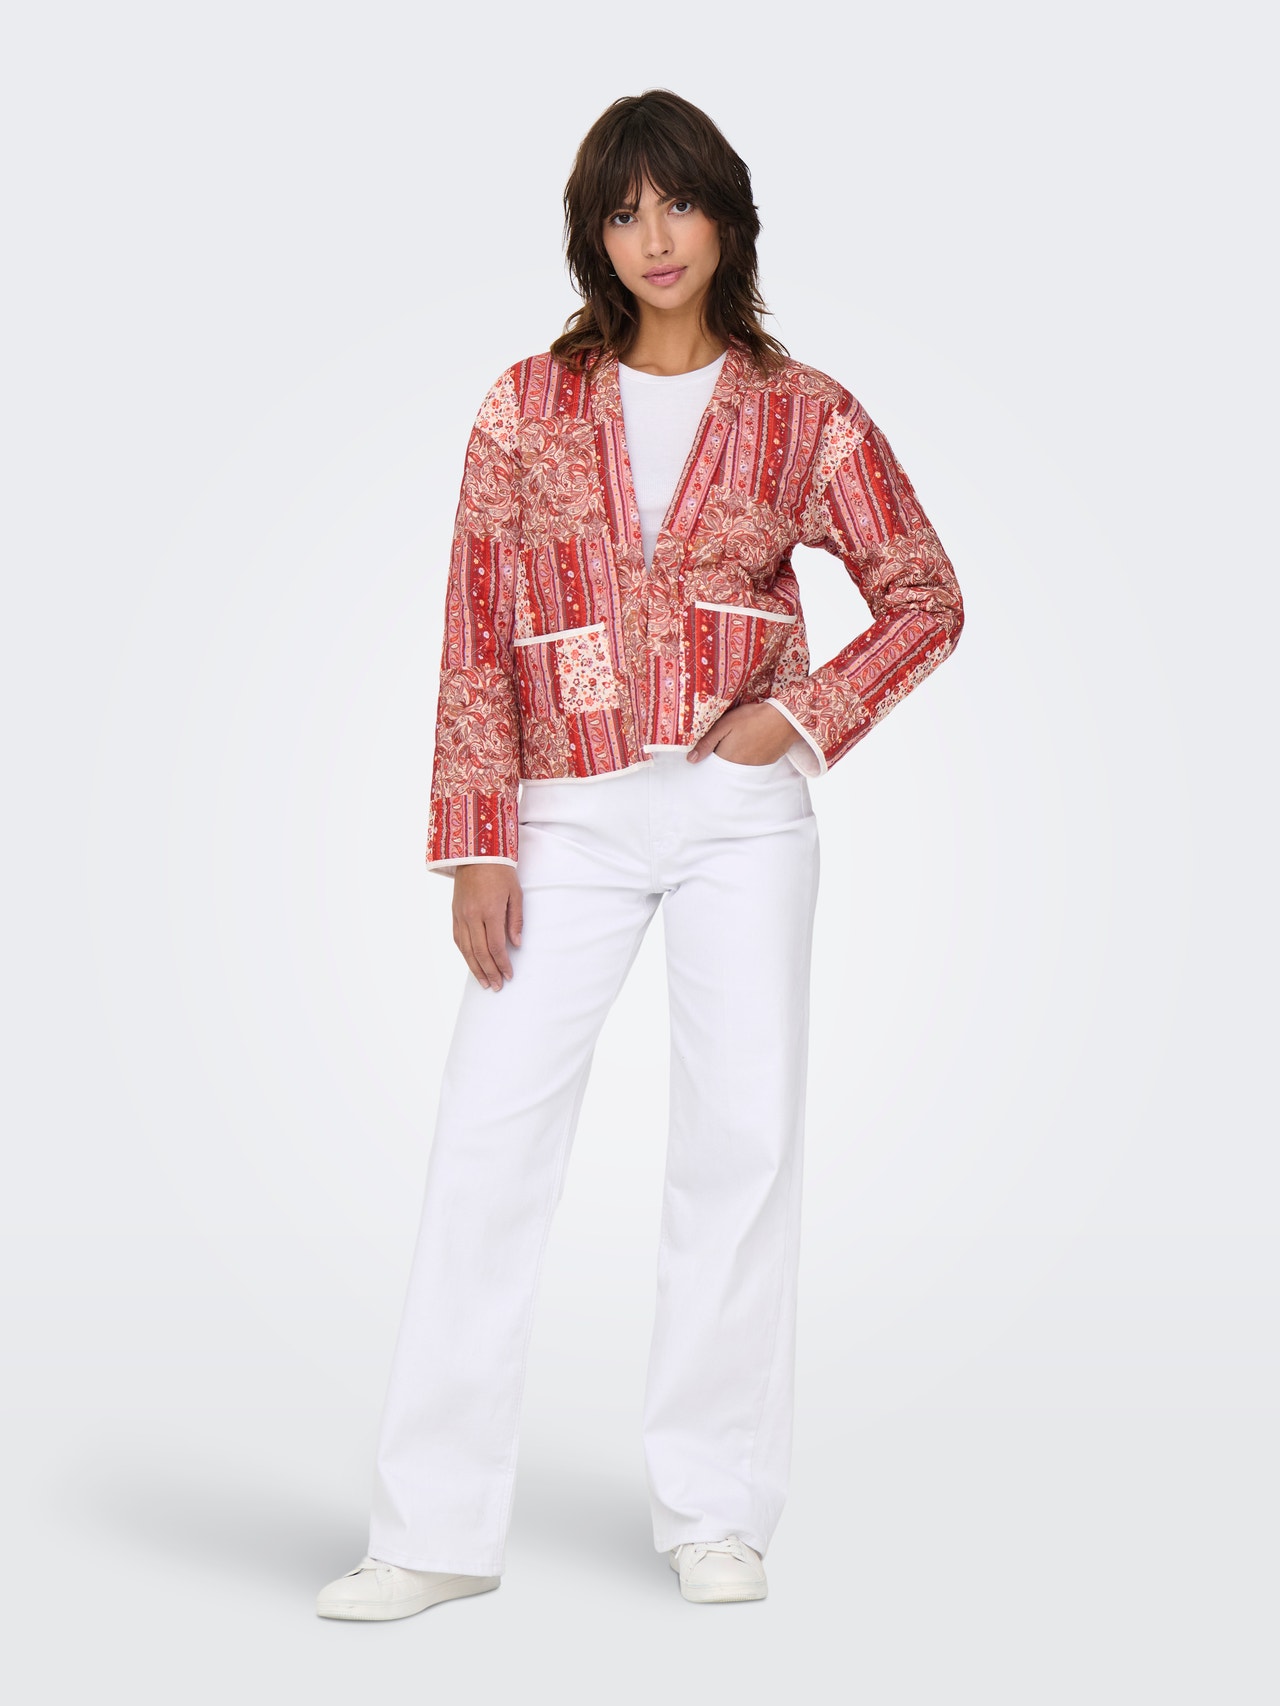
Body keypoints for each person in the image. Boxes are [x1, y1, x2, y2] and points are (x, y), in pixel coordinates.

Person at [317, 88, 964, 1621]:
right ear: (592, 236)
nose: (653, 236)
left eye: (676, 203)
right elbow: (476, 626)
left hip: (742, 817)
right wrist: (478, 840)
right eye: (622, 212)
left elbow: (924, 593)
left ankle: (717, 1507)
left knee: (739, 1142)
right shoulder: (525, 405)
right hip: (565, 812)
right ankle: (433, 1527)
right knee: (488, 1141)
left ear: (726, 215)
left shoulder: (806, 411)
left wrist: (797, 718)